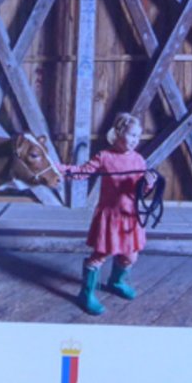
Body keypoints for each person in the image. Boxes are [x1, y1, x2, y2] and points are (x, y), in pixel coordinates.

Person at [64, 113, 150, 315]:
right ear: (119, 133)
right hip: (110, 216)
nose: (134, 140)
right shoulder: (104, 156)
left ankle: (116, 282)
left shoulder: (139, 160)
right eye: (131, 135)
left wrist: (148, 183)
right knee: (101, 255)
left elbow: (140, 191)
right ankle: (85, 294)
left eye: (138, 137)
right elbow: (82, 172)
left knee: (130, 255)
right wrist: (60, 170)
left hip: (130, 215)